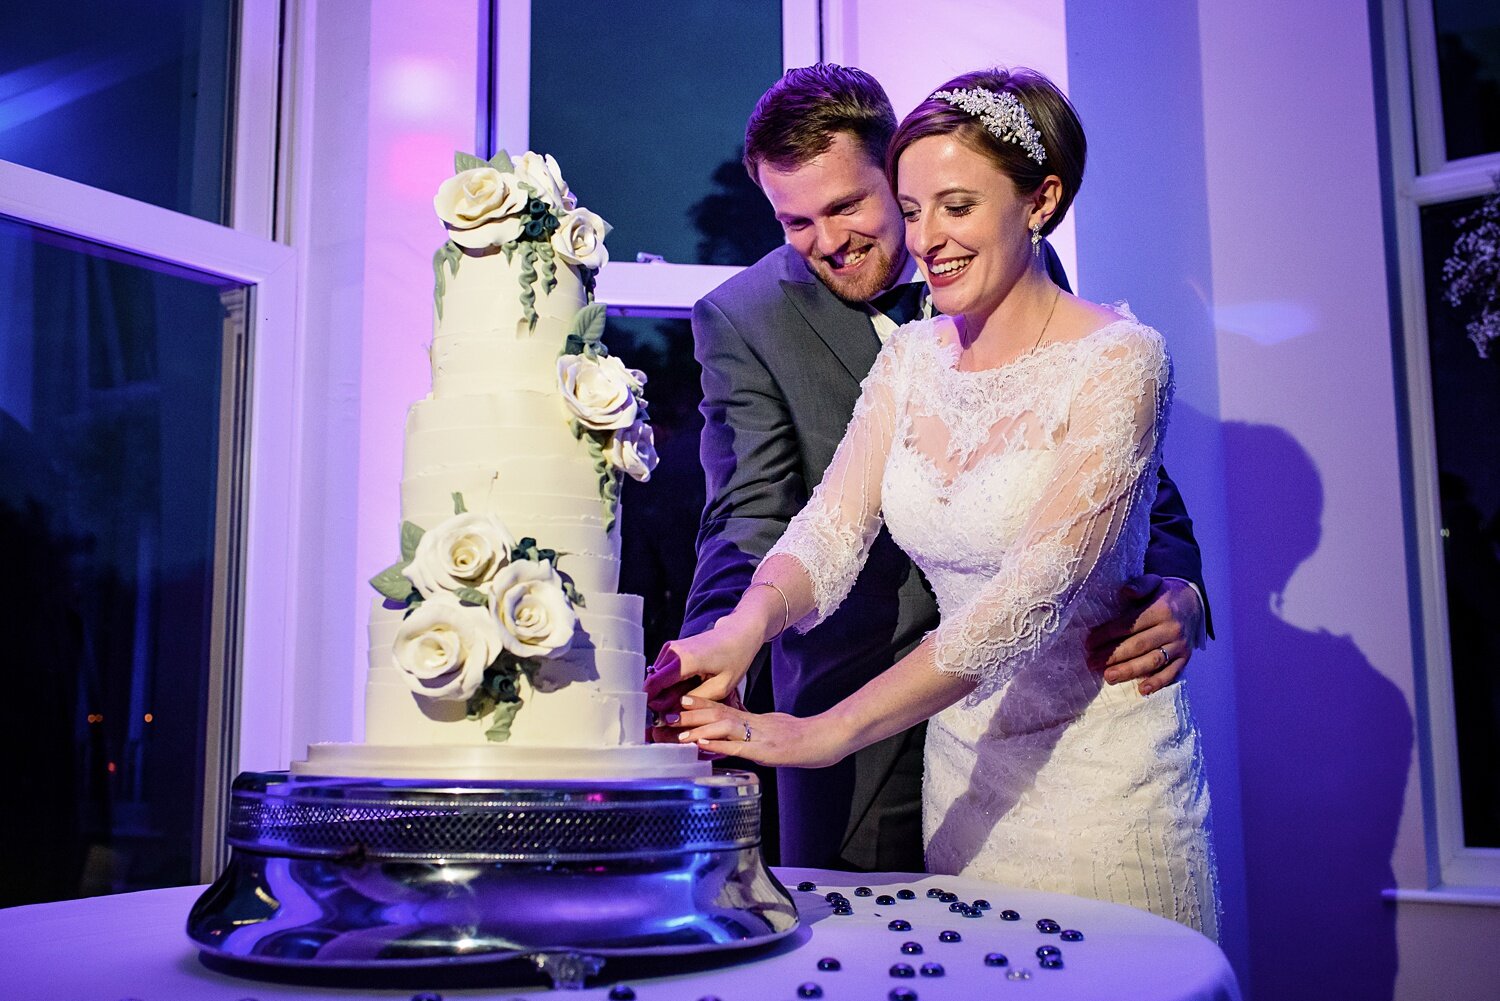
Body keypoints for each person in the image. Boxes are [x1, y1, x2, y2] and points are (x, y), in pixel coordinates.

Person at [652, 66, 1220, 936]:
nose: (832, 239)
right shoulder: (874, 347)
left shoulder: (1093, 328)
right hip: (906, 742)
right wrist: (735, 630)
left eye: (856, 207)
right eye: (795, 220)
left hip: (1092, 768)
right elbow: (792, 523)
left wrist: (1183, 590)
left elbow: (1107, 517)